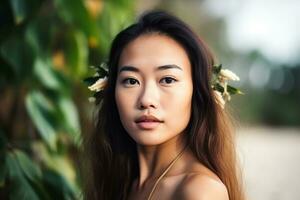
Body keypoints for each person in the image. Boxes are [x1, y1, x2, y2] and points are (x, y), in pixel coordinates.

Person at [82, 10, 244, 200]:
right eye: (131, 81)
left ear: (198, 92)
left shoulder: (199, 191)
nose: (146, 100)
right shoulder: (118, 182)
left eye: (167, 79)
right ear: (112, 91)